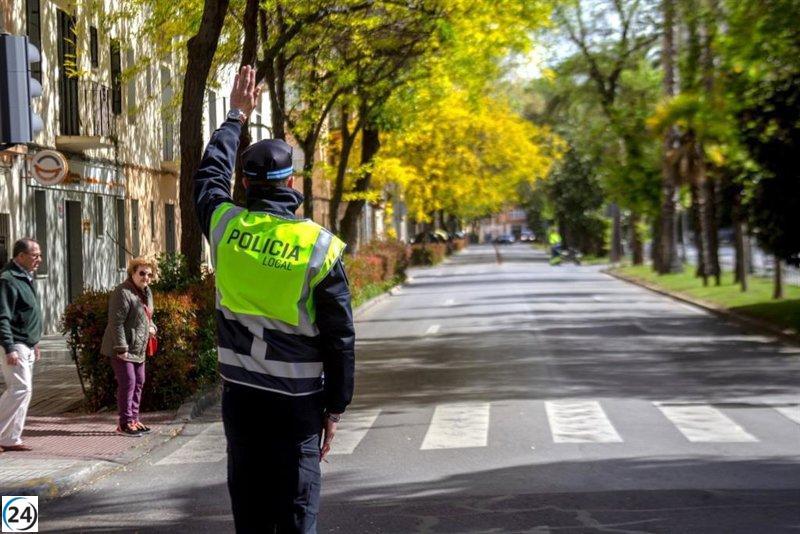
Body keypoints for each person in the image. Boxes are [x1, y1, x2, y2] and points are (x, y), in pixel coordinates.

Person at [194, 65, 355, 534]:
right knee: (296, 508)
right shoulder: (319, 247)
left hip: (242, 399)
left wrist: (235, 115)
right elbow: (340, 336)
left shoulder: (225, 228)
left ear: (245, 184)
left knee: (250, 507)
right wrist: (336, 406)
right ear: (291, 184)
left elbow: (208, 176)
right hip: (298, 402)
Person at [100, 257, 158, 437]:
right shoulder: (122, 292)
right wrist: (121, 347)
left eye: (149, 274)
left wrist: (152, 327)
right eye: (141, 273)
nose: (146, 277)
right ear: (132, 272)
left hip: (138, 348)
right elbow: (116, 322)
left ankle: (134, 419)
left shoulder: (147, 292)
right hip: (123, 348)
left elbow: (146, 317)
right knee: (128, 383)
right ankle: (124, 423)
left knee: (139, 382)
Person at [0, 238, 43, 453]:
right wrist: (9, 347)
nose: (39, 259)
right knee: (20, 388)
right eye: (35, 255)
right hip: (14, 344)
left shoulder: (24, 277)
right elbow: (3, 317)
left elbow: (25, 313)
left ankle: (10, 438)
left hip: (26, 344)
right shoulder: (8, 279)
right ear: (20, 256)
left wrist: (34, 342)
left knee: (25, 391)